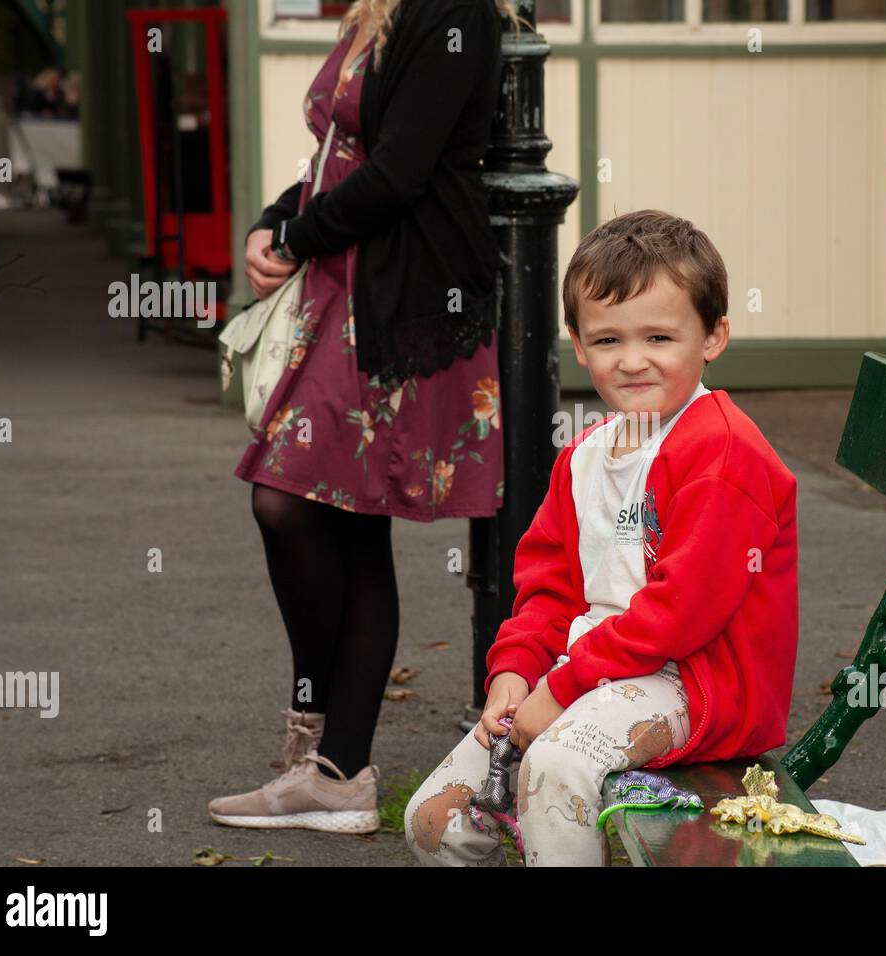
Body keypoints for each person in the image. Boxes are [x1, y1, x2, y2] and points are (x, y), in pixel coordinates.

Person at [208, 0, 523, 834]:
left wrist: (301, 236)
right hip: (346, 292)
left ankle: (330, 757)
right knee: (345, 526)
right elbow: (339, 155)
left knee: (287, 501)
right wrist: (277, 220)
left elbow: (401, 170)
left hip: (401, 299)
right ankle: (333, 766)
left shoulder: (454, 12)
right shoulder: (377, 10)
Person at [404, 209, 800, 865]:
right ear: (578, 345)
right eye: (609, 340)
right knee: (432, 819)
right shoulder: (584, 454)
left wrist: (559, 691)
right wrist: (513, 672)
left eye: (659, 337)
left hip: (696, 685)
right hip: (595, 671)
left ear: (714, 335)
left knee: (554, 769)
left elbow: (679, 618)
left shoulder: (725, 455)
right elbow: (549, 589)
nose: (633, 360)